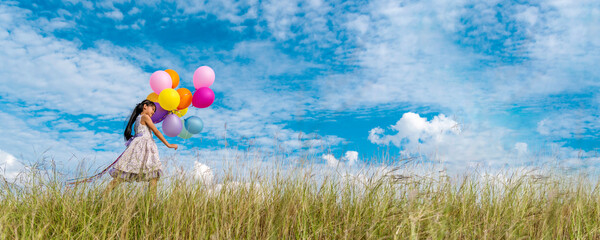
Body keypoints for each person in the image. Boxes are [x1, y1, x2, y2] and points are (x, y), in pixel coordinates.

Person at [67, 100, 177, 201]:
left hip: (143, 148)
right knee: (148, 176)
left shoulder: (139, 118)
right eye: (152, 109)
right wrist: (168, 144)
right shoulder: (144, 117)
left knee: (147, 176)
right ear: (145, 106)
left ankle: (104, 196)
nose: (153, 112)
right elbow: (156, 132)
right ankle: (151, 201)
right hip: (143, 148)